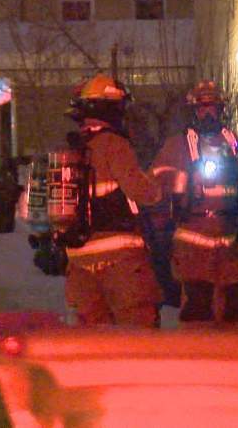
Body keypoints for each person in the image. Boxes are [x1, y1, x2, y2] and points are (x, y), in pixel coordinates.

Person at [60, 74, 164, 327]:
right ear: (110, 107)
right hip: (120, 261)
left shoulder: (70, 151)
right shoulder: (114, 143)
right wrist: (157, 189)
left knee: (95, 344)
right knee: (137, 335)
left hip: (79, 262)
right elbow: (139, 190)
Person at [151, 80, 238, 328]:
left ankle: (234, 362)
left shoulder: (236, 145)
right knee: (197, 309)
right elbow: (155, 183)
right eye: (202, 109)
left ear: (221, 110)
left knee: (234, 310)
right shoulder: (177, 146)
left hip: (231, 236)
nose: (208, 114)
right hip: (192, 238)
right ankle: (197, 360)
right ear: (193, 111)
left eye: (213, 108)